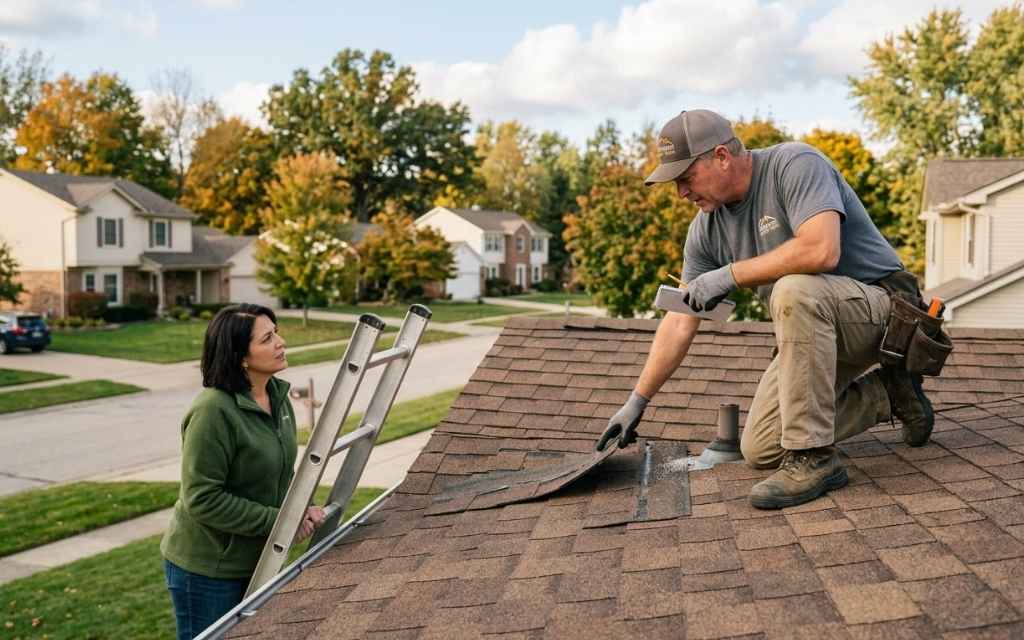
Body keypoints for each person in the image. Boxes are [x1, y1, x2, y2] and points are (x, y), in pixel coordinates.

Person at [596, 109, 935, 509]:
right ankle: (891, 395)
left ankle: (815, 459)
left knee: (792, 290)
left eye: (686, 179)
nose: (681, 193)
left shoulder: (795, 165)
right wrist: (637, 401)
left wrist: (731, 275)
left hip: (886, 312)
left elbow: (821, 249)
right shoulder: (705, 230)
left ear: (721, 156)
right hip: (813, 331)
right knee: (760, 447)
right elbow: (681, 318)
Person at [161, 303, 326, 640]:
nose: (280, 342)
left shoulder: (277, 397)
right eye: (267, 338)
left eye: (276, 332)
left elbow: (281, 471)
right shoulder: (213, 411)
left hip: (259, 558)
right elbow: (203, 499)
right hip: (208, 570)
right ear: (240, 356)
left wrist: (299, 509)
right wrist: (281, 521)